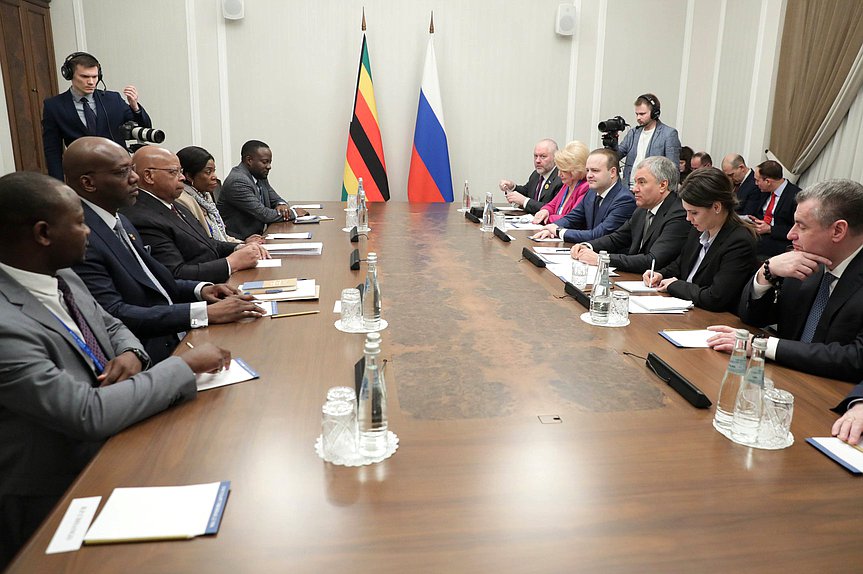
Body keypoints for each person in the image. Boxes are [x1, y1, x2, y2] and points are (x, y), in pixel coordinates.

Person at [0, 171, 230, 568]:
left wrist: (132, 354)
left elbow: (110, 322)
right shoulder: (6, 325)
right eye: (79, 222)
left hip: (116, 440)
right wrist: (181, 366)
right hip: (54, 493)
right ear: (42, 233)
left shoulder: (60, 273)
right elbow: (86, 413)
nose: (89, 231)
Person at [65, 138, 265, 363]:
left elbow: (156, 279)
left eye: (132, 169)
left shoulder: (120, 220)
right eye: (122, 172)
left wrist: (202, 290)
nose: (134, 178)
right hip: (147, 352)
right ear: (88, 183)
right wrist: (203, 313)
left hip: (174, 328)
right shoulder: (80, 234)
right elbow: (113, 313)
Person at [707, 179, 863, 382]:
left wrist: (762, 345)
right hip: (783, 379)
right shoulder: (804, 260)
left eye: (801, 226)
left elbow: (856, 358)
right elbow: (753, 318)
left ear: (838, 231)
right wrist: (767, 272)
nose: (790, 235)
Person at [122, 146, 267, 283]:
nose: (182, 178)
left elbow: (206, 243)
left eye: (181, 171)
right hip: (200, 294)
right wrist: (231, 263)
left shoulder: (174, 205)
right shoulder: (143, 217)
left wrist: (238, 248)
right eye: (174, 172)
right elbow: (174, 274)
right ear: (149, 176)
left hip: (218, 282)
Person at [643, 167, 758, 312]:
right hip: (686, 309)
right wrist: (660, 274)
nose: (688, 218)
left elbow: (715, 298)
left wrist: (676, 285)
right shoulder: (699, 229)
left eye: (694, 213)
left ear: (716, 207)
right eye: (687, 212)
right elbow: (680, 265)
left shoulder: (739, 242)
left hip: (714, 320)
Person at [42, 52, 152, 181]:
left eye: (94, 77)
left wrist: (135, 106)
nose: (91, 82)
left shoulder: (113, 99)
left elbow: (145, 127)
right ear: (69, 75)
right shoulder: (54, 106)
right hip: (84, 175)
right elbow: (52, 150)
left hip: (118, 170)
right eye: (84, 76)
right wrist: (58, 184)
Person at [571, 156, 689, 273]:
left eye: (642, 182)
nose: (634, 189)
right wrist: (587, 246)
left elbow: (652, 260)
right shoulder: (642, 209)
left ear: (663, 185)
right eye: (635, 182)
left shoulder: (678, 214)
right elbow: (616, 238)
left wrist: (601, 259)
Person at [532, 148, 635, 243]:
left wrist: (559, 231)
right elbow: (573, 217)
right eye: (587, 170)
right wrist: (552, 227)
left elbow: (599, 234)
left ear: (612, 172)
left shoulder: (624, 200)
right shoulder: (592, 193)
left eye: (595, 170)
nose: (589, 175)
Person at [218, 140, 307, 240]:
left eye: (270, 162)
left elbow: (275, 199)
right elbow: (263, 214)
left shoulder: (259, 176)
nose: (269, 167)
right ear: (249, 160)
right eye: (265, 162)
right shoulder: (238, 181)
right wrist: (294, 213)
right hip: (240, 241)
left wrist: (281, 204)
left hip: (258, 236)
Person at [176, 146, 263, 245]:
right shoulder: (183, 201)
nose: (214, 176)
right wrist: (240, 246)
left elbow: (222, 236)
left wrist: (243, 243)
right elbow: (207, 242)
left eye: (214, 171)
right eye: (208, 172)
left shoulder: (205, 196)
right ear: (189, 176)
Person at [613, 94, 681, 188]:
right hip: (629, 188)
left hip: (652, 190)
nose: (638, 118)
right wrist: (613, 143)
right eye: (637, 114)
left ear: (654, 113)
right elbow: (616, 155)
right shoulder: (633, 132)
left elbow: (673, 169)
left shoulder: (669, 134)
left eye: (642, 114)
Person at [749, 160, 801, 257]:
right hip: (758, 236)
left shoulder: (796, 197)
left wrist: (770, 229)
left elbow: (798, 229)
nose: (756, 184)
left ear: (768, 181)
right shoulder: (764, 192)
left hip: (778, 243)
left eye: (757, 180)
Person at [531, 141, 589, 225]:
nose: (559, 174)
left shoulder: (585, 188)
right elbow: (552, 205)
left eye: (564, 170)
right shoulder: (567, 184)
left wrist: (546, 219)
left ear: (576, 170)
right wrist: (545, 211)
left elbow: (572, 219)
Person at [499, 139, 564, 215]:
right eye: (535, 156)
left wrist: (525, 201)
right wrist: (512, 187)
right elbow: (527, 192)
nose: (537, 161)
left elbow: (553, 208)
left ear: (555, 157)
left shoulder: (561, 178)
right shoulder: (536, 174)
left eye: (543, 156)